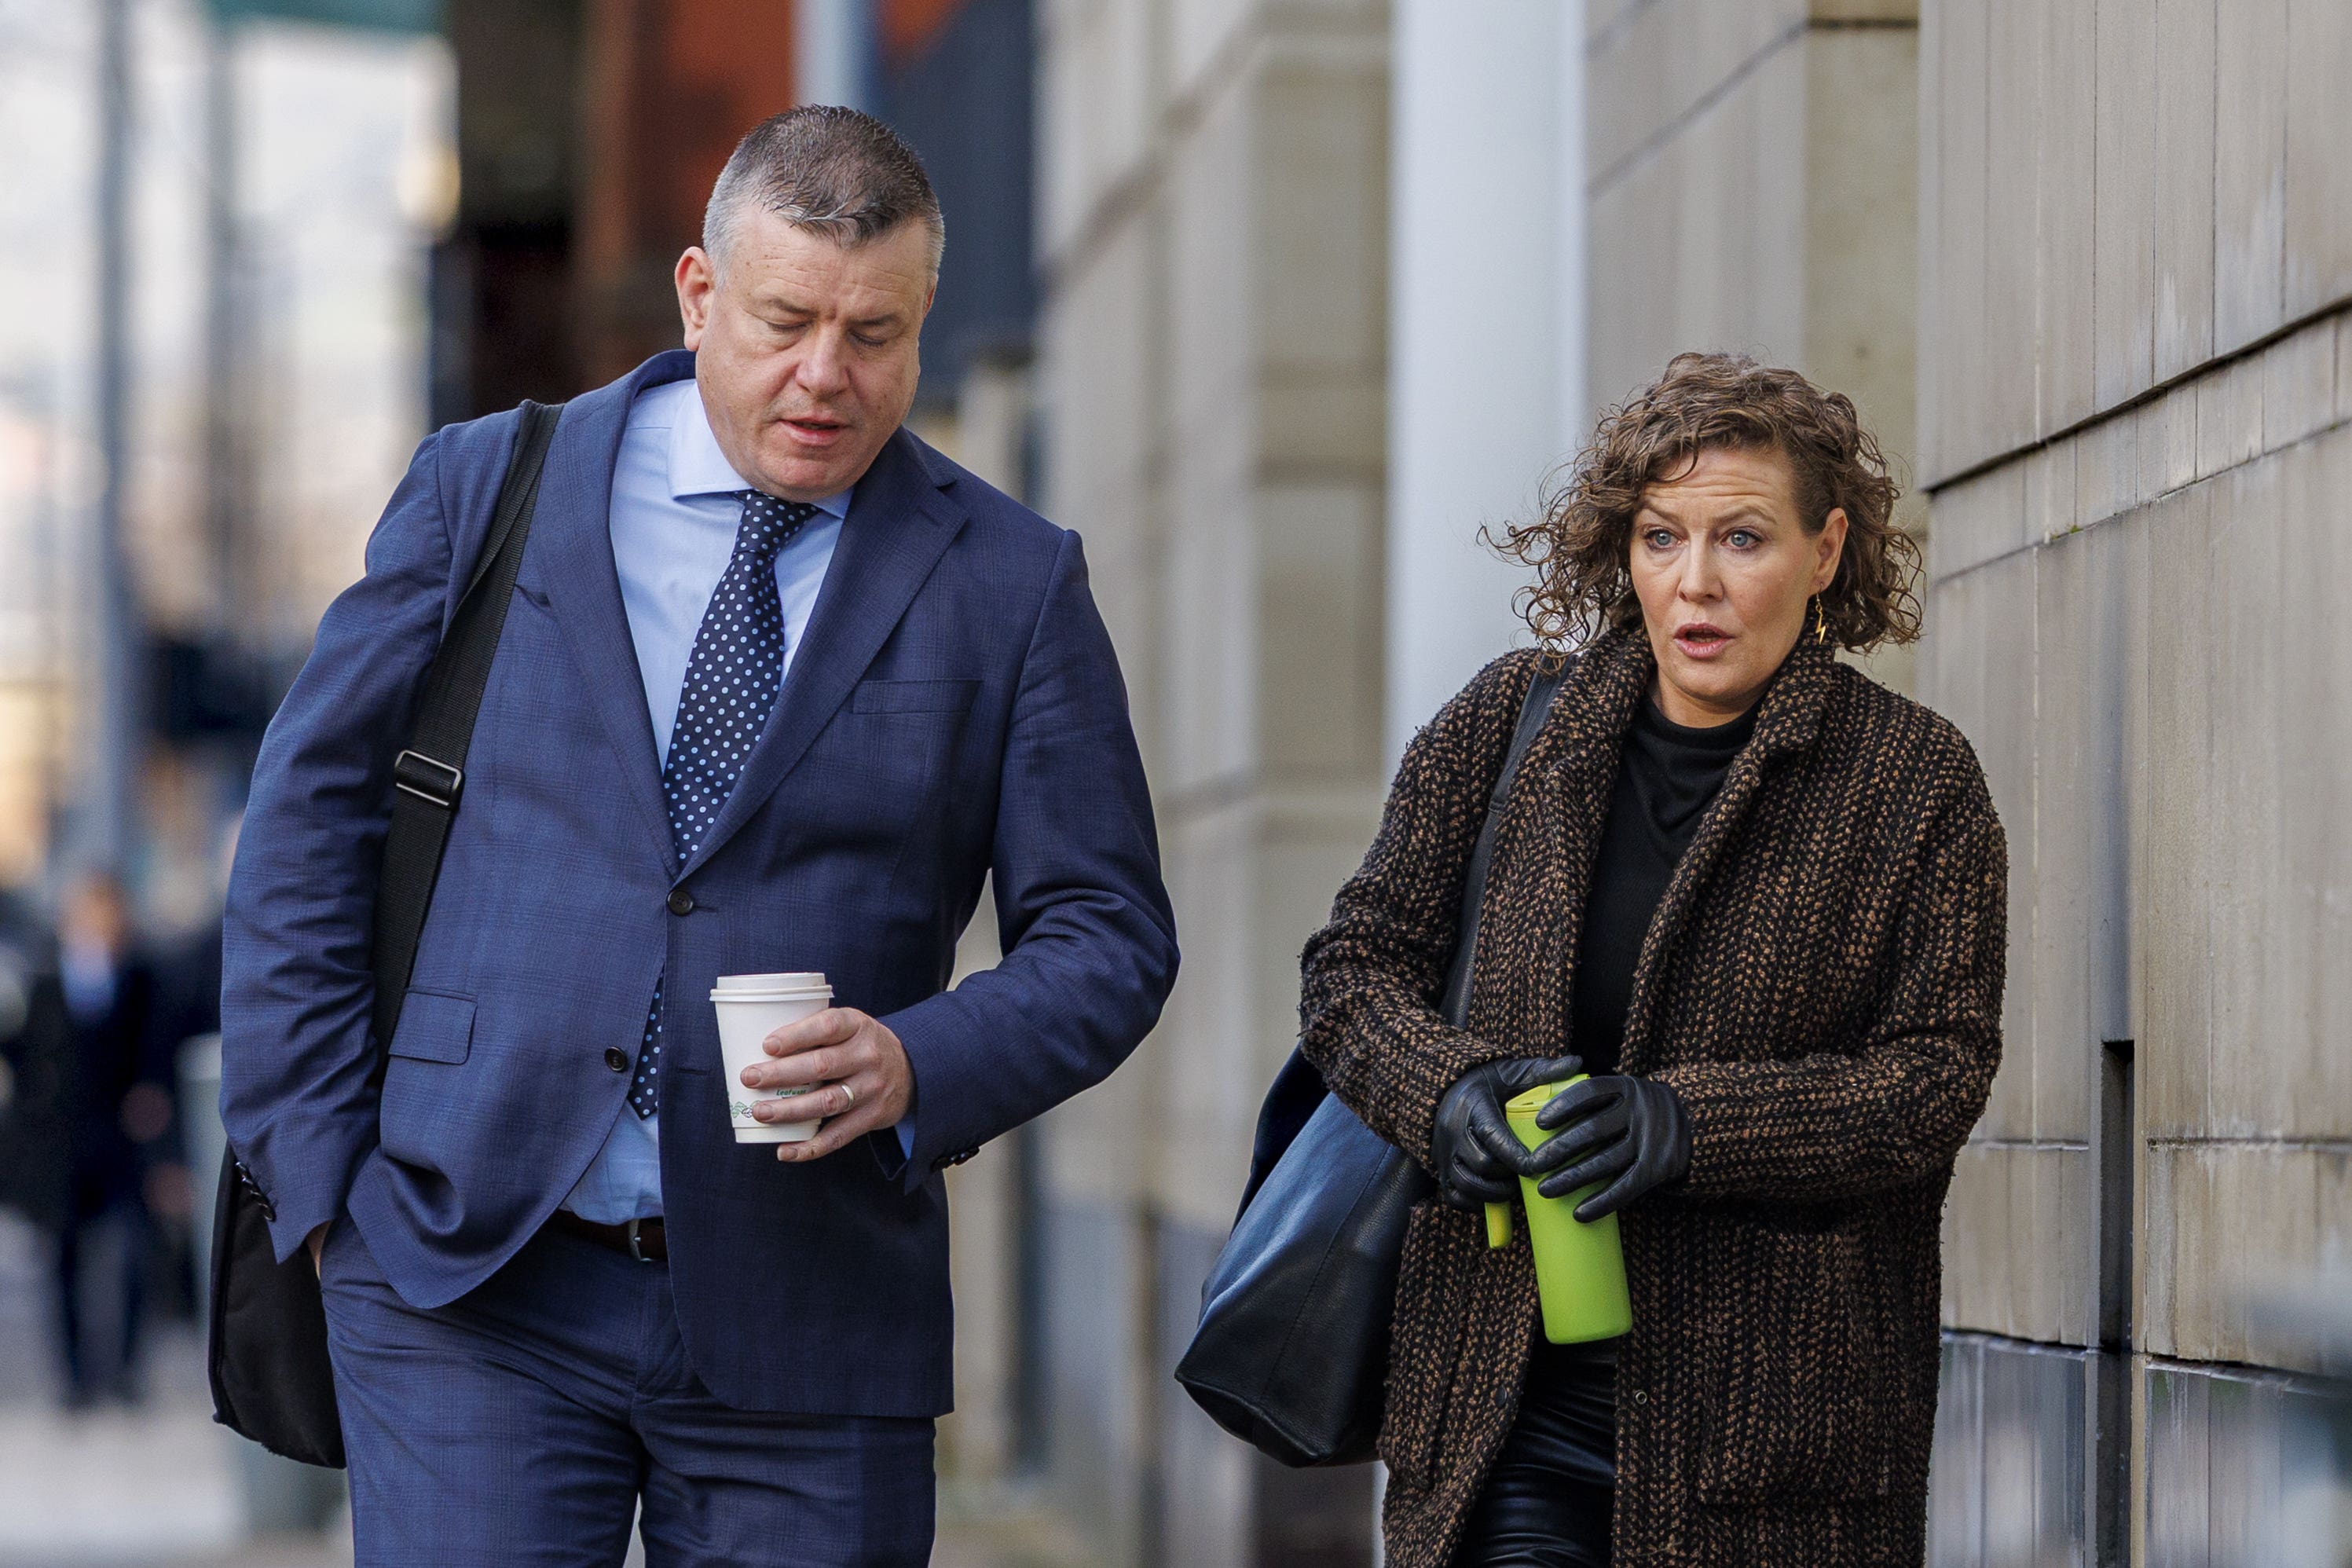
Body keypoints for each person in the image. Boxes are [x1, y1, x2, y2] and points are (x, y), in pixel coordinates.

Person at [222, 106, 1177, 1566]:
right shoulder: (489, 489)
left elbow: (1108, 937)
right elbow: (306, 828)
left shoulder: (1012, 581)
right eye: (786, 320)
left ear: (921, 319)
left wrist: (922, 1060)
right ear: (697, 292)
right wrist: (319, 1181)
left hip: (812, 1307)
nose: (824, 377)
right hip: (462, 1269)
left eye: (874, 334)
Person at [1299, 352, 2007, 1567]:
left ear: (1824, 552)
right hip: (1499, 1408)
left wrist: (1690, 1126)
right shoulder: (1508, 728)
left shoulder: (1913, 783)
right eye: (1660, 538)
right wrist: (1447, 1095)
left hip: (1772, 1445)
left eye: (1740, 538)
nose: (1695, 584)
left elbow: (1937, 1074)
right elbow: (1354, 970)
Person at [1, 871, 171, 1409]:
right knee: (64, 1262)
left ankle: (123, 1371)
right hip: (61, 1144)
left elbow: (157, 1049)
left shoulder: (142, 977)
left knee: (130, 1255)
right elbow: (22, 1052)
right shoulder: (45, 981)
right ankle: (74, 1377)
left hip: (122, 1139)